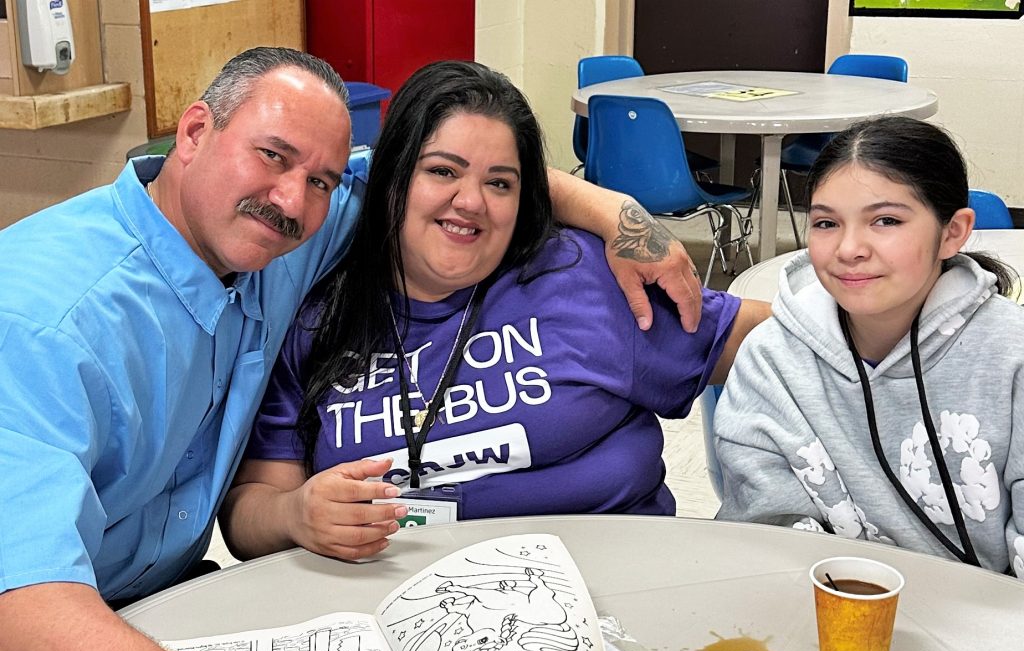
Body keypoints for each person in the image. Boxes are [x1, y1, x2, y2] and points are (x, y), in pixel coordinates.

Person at [0, 48, 708, 651]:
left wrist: (613, 211)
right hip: (66, 632)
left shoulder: (283, 231)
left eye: (321, 179)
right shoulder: (43, 319)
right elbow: (18, 601)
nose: (293, 200)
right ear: (193, 133)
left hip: (178, 596)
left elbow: (455, 171)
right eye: (272, 156)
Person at [218, 60, 770, 563]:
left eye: (499, 183)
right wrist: (297, 515)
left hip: (612, 591)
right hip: (403, 611)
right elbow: (249, 517)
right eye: (441, 171)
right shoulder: (321, 317)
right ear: (392, 182)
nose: (471, 202)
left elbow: (783, 342)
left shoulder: (581, 279)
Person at [714, 116, 1024, 578]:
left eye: (886, 220)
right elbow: (768, 541)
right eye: (825, 222)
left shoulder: (1011, 355)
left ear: (953, 232)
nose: (849, 248)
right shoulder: (771, 359)